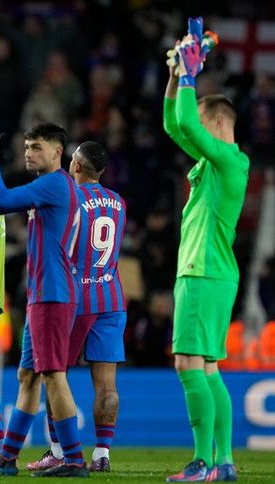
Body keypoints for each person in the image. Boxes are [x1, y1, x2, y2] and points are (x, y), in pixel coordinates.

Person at [0, 121, 88, 478]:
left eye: (37, 147)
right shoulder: (54, 186)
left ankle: (74, 460)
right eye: (26, 147)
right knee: (28, 375)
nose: (28, 153)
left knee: (53, 375)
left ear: (57, 152)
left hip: (53, 294)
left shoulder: (53, 184)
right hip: (44, 294)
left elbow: (0, 202)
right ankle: (7, 458)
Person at [163, 23, 249, 482]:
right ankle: (225, 462)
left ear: (217, 123)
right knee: (209, 369)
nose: (193, 128)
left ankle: (200, 461)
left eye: (201, 119)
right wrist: (175, 77)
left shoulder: (228, 160)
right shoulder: (218, 164)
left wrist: (191, 77)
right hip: (212, 273)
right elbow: (173, 123)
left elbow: (186, 123)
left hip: (203, 272)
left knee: (188, 364)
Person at [27, 141, 127, 473]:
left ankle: (58, 450)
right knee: (107, 385)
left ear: (77, 166)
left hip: (73, 298)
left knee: (55, 375)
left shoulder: (70, 198)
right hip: (111, 297)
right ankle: (102, 454)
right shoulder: (118, 202)